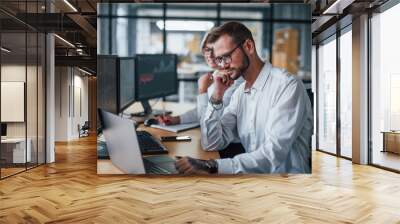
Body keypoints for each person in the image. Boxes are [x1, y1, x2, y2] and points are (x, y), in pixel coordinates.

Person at [175, 21, 313, 174]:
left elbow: (272, 155)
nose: (223, 66)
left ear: (248, 47)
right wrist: (216, 96)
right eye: (219, 59)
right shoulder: (240, 93)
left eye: (226, 57)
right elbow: (212, 143)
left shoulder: (286, 86)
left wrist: (212, 165)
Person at [156, 30, 244, 126]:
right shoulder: (216, 74)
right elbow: (204, 109)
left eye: (213, 50)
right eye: (206, 50)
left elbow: (209, 122)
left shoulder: (234, 79)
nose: (209, 55)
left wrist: (203, 90)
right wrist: (177, 119)